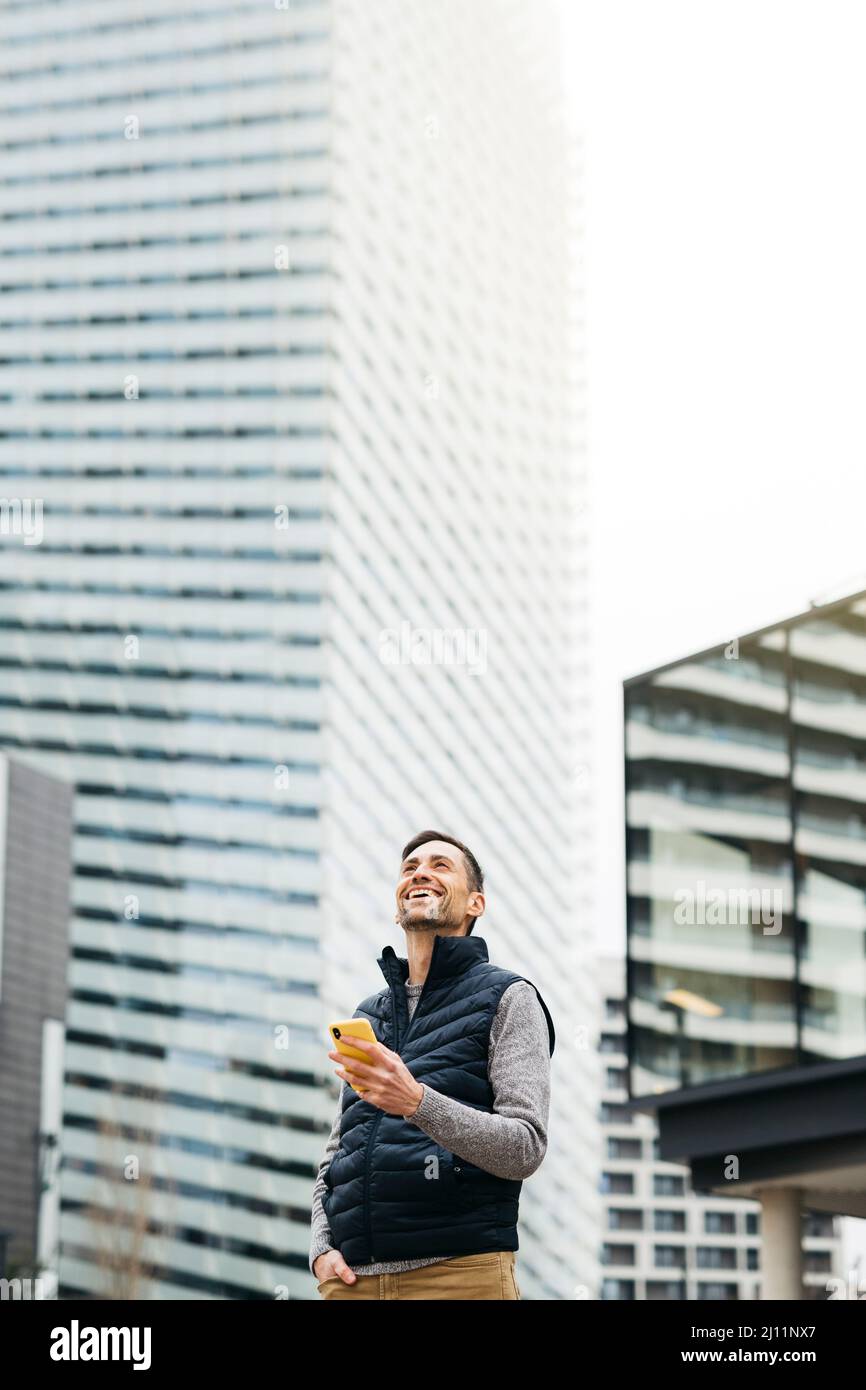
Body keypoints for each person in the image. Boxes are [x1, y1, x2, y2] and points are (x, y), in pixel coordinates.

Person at [309, 829, 555, 1300]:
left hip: (459, 1276)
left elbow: (525, 1147)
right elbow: (339, 1149)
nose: (420, 872)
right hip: (350, 1283)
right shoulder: (369, 1015)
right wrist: (320, 1247)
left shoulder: (509, 998)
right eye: (409, 868)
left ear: (475, 904)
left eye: (441, 865)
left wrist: (418, 1103)